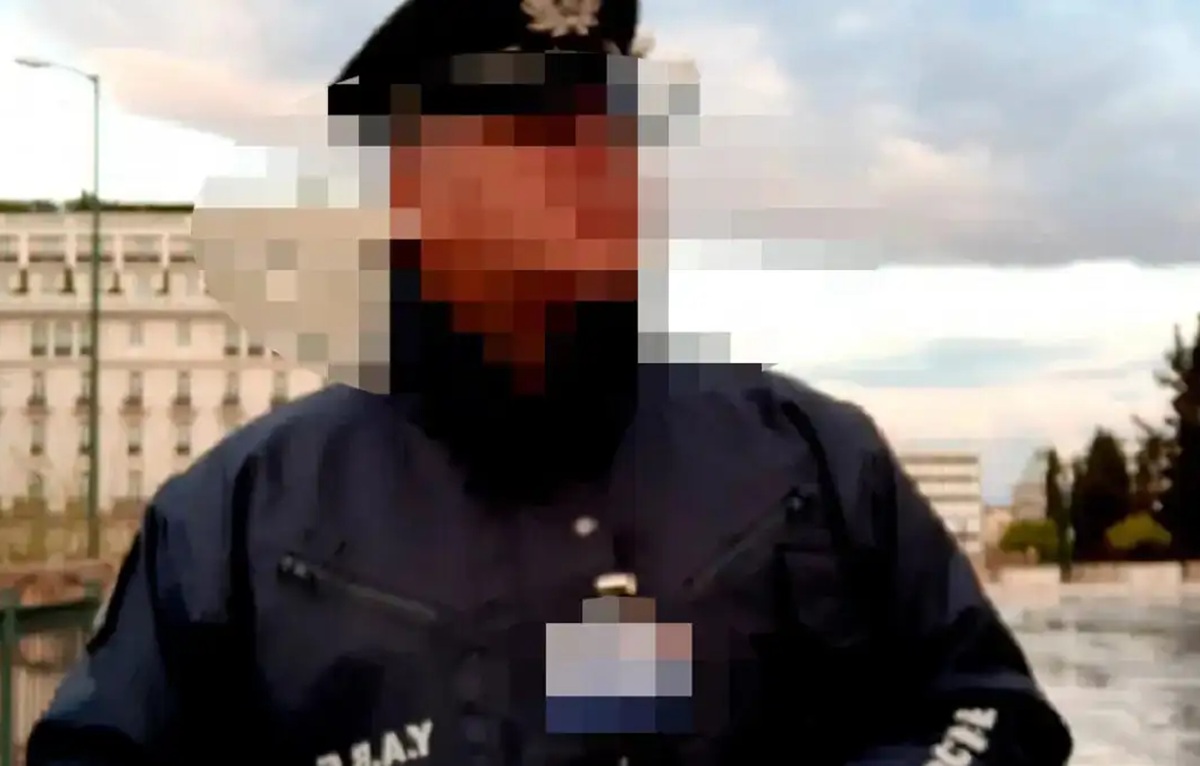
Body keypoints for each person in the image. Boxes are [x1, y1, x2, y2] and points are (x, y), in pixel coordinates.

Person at [26, 0, 1073, 763]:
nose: (592, 182)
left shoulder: (810, 456)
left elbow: (991, 712)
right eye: (533, 143)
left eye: (611, 137)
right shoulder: (235, 523)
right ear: (408, 194)